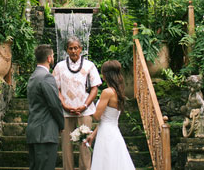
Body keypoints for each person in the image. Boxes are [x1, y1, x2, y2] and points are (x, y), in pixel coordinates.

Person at [53, 37, 101, 170]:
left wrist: (85, 105)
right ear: (66, 50)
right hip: (66, 112)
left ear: (80, 49)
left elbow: (95, 88)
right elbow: (55, 88)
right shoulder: (59, 66)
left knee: (85, 145)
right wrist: (64, 105)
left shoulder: (89, 65)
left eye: (76, 48)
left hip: (85, 111)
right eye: (70, 48)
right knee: (66, 146)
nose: (73, 51)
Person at [85, 60, 135, 170]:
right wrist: (93, 135)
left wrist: (86, 103)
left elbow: (97, 116)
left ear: (105, 75)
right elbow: (105, 119)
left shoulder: (107, 92)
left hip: (106, 134)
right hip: (113, 131)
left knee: (106, 163)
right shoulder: (118, 91)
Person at [27, 44, 65, 170]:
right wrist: (61, 124)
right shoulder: (46, 77)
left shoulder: (33, 77)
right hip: (45, 133)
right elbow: (54, 104)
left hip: (34, 131)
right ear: (49, 58)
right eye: (53, 56)